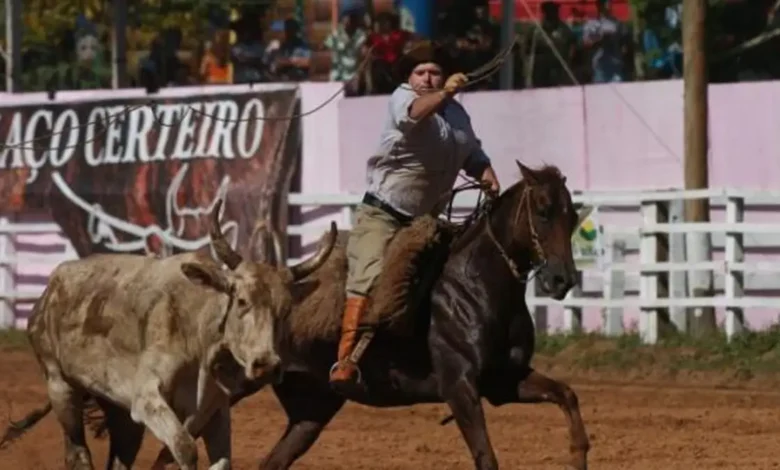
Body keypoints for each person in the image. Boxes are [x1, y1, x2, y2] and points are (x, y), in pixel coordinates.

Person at [329, 40, 501, 390]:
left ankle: (447, 351)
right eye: (420, 72)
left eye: (434, 72)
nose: (427, 77)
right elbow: (414, 115)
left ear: (444, 76)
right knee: (368, 275)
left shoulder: (457, 115)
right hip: (383, 215)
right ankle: (346, 361)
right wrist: (446, 93)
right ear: (410, 78)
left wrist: (486, 173)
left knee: (453, 276)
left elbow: (471, 152)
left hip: (425, 221)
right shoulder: (402, 98)